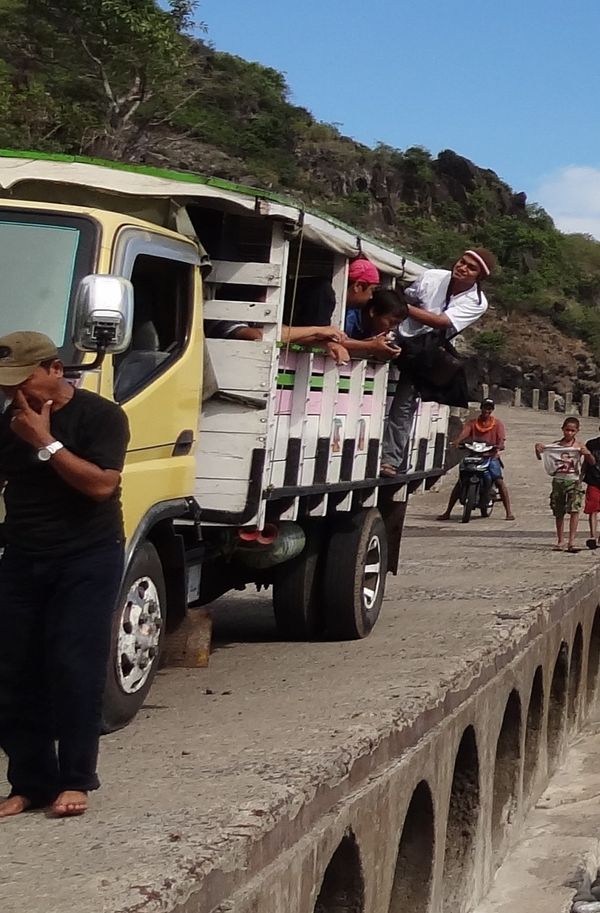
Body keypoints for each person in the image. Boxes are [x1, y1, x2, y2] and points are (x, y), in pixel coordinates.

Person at [0, 331, 130, 818]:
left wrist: (45, 443)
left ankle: (75, 779)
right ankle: (29, 782)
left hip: (86, 556)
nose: (17, 393)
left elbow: (100, 486)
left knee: (74, 665)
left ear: (55, 369)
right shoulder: (8, 422)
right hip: (21, 554)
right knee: (13, 671)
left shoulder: (101, 417)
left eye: (23, 380)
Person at [381, 248, 496, 476]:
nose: (462, 268)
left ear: (479, 277)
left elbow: (441, 322)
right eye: (462, 262)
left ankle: (391, 459)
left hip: (425, 348)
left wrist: (403, 308)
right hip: (397, 332)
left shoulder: (477, 301)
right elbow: (408, 296)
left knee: (404, 402)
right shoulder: (433, 276)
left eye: (471, 267)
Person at [438, 398, 515, 521]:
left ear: (492, 410)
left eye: (489, 408)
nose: (487, 411)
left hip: (490, 456)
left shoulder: (497, 424)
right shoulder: (473, 423)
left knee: (499, 481)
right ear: (481, 408)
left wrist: (500, 445)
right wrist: (458, 441)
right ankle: (447, 512)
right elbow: (464, 433)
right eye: (485, 408)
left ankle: (508, 512)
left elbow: (501, 438)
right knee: (460, 481)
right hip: (473, 455)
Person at [534, 416, 594, 553]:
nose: (569, 433)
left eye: (572, 431)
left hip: (573, 480)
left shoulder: (579, 446)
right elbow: (542, 457)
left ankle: (571, 541)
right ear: (563, 429)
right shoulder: (556, 446)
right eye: (567, 430)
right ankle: (560, 539)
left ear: (577, 431)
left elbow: (591, 462)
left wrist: (587, 454)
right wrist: (538, 450)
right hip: (559, 480)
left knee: (574, 510)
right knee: (558, 511)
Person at [343, 288, 407, 359]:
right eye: (392, 322)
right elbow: (338, 342)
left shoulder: (370, 329)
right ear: (373, 312)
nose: (394, 327)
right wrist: (370, 346)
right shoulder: (347, 319)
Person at [583, 425, 600, 549]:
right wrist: (580, 478)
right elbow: (586, 463)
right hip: (593, 480)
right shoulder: (591, 444)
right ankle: (593, 536)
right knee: (592, 509)